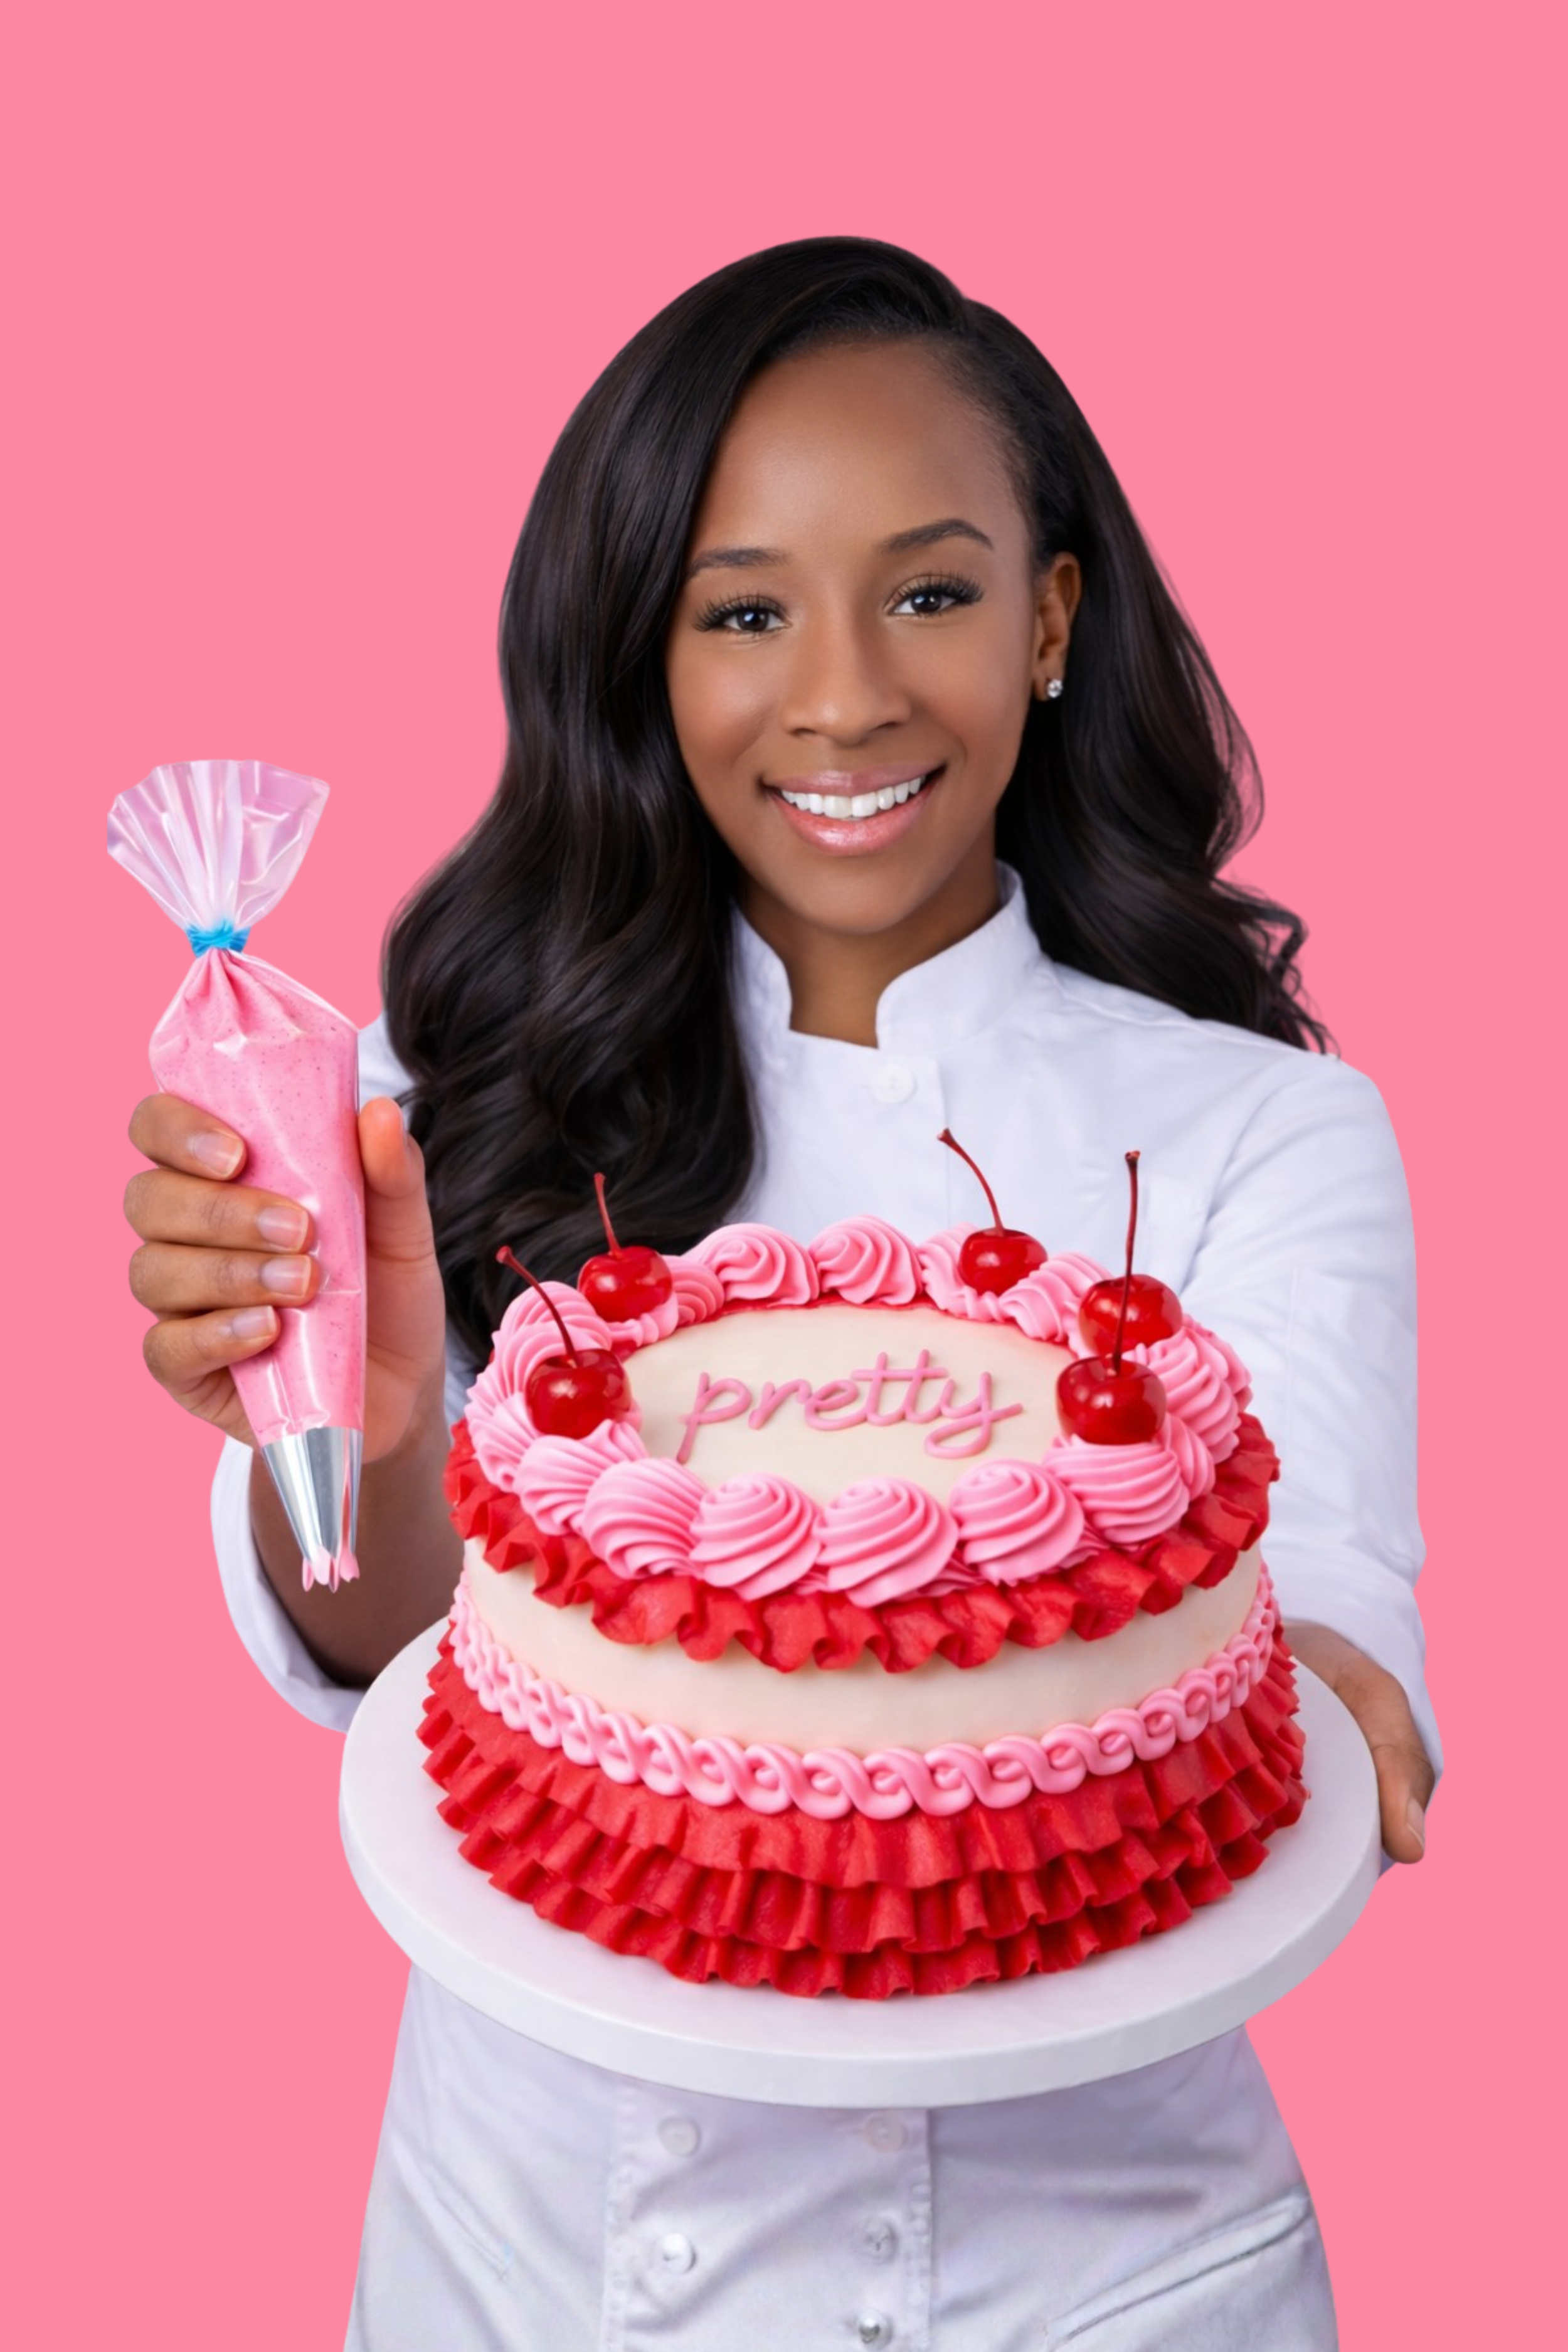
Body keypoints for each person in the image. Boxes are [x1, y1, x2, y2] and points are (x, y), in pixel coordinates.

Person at [123, 238, 1436, 2349]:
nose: (841, 696)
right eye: (742, 612)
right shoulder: (438, 1087)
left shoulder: (1261, 1133)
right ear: (642, 657)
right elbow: (402, 1648)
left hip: (1099, 2282)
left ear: (1050, 621)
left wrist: (1339, 1693)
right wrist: (357, 1429)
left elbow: (1317, 1655)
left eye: (927, 590)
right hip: (530, 2255)